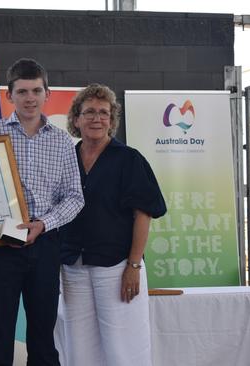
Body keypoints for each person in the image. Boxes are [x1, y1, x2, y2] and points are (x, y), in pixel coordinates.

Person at [0, 58, 84, 366]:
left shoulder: (62, 141)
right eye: (22, 91)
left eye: (36, 90)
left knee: (43, 337)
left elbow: (75, 198)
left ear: (47, 93)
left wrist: (43, 224)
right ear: (9, 96)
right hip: (0, 244)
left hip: (46, 243)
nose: (30, 98)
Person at [54, 83, 167, 366]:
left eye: (103, 113)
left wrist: (134, 265)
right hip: (73, 267)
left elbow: (144, 214)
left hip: (117, 268)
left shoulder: (129, 159)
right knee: (79, 352)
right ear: (76, 119)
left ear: (112, 120)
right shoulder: (65, 159)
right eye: (89, 112)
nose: (96, 118)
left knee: (123, 350)